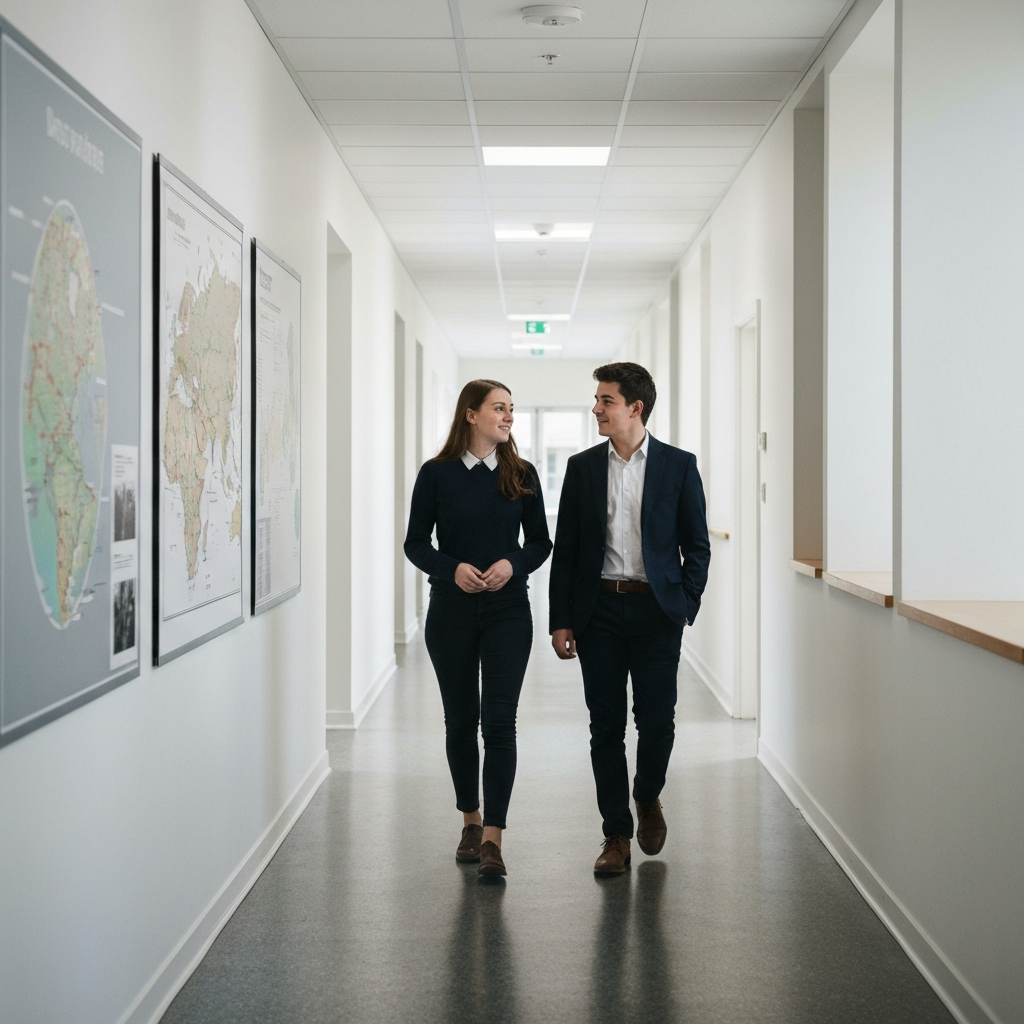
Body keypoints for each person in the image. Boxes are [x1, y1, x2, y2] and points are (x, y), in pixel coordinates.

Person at [549, 362, 710, 875]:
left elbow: (697, 546)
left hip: (657, 610)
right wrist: (561, 619)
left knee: (658, 721)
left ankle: (647, 796)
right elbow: (567, 551)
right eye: (597, 400)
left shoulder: (679, 467)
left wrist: (685, 602)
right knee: (605, 727)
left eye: (605, 400)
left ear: (634, 408)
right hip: (598, 611)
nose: (596, 408)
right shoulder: (582, 468)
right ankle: (615, 834)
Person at [405, 379, 551, 877]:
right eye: (498, 408)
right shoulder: (436, 474)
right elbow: (415, 544)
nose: (508, 417)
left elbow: (540, 543)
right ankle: (469, 820)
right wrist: (451, 569)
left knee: (500, 723)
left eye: (512, 409)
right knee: (460, 722)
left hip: (509, 610)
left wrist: (513, 564)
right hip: (451, 610)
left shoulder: (522, 473)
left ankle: (494, 835)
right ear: (470, 414)